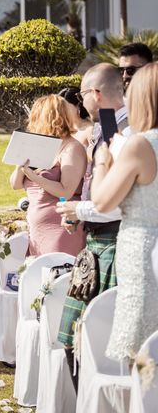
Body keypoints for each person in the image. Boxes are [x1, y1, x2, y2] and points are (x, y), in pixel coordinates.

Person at [54, 63, 128, 390]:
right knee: (75, 337)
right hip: (97, 240)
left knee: (95, 339)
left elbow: (117, 197)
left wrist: (80, 209)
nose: (81, 103)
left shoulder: (125, 133)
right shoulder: (109, 125)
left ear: (95, 93)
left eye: (83, 94)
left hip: (115, 240)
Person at [91, 62, 158, 362]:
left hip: (144, 249)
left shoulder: (140, 145)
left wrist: (103, 159)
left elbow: (103, 202)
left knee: (138, 345)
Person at [10, 95, 87, 257]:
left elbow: (66, 191)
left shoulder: (71, 148)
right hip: (37, 229)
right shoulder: (38, 145)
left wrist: (34, 176)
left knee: (57, 276)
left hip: (60, 227)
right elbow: (15, 185)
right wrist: (20, 164)